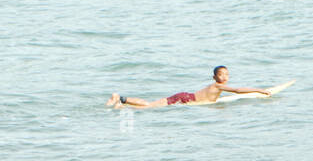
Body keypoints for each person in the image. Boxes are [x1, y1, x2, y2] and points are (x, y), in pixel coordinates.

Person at [106, 66, 271, 109]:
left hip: (185, 96)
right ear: (215, 77)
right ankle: (121, 101)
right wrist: (260, 90)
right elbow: (237, 90)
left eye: (227, 74)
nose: (225, 77)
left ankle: (122, 101)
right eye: (221, 74)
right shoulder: (218, 86)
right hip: (185, 99)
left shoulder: (216, 86)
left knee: (150, 105)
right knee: (149, 106)